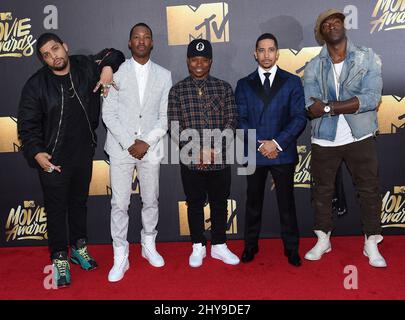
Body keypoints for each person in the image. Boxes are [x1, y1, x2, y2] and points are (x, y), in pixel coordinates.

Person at [17, 33, 125, 287]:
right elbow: (27, 126)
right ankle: (59, 258)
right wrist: (36, 152)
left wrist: (107, 69)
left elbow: (114, 53)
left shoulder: (85, 66)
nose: (54, 56)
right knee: (56, 210)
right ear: (43, 60)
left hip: (82, 154)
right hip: (53, 160)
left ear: (65, 47)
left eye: (55, 49)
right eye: (46, 54)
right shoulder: (36, 85)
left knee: (79, 204)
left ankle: (78, 248)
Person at [303, 9, 387, 267]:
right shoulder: (314, 65)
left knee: (369, 190)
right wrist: (346, 104)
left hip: (359, 135)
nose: (332, 26)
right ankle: (323, 238)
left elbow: (371, 98)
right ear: (321, 33)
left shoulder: (367, 57)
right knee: (322, 192)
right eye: (326, 24)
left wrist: (328, 107)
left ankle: (371, 242)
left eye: (336, 22)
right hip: (324, 139)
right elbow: (310, 104)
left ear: (343, 26)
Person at [102, 23, 172, 282]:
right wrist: (130, 142)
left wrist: (146, 142)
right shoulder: (115, 73)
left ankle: (148, 245)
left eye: (146, 37)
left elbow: (164, 118)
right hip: (121, 149)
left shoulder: (164, 75)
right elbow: (107, 113)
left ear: (152, 43)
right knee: (119, 204)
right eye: (136, 37)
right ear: (129, 43)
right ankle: (120, 254)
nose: (141, 41)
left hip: (150, 149)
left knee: (150, 200)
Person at [235, 33, 307, 267]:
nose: (266, 55)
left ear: (277, 53)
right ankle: (250, 246)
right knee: (252, 202)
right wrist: (261, 144)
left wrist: (275, 143)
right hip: (255, 151)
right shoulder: (244, 84)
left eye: (271, 50)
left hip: (282, 151)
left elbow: (298, 118)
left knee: (287, 203)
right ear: (255, 53)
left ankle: (292, 248)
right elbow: (240, 120)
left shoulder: (292, 81)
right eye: (261, 50)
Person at [168, 39, 239, 267]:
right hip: (191, 161)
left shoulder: (224, 87)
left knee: (220, 203)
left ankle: (219, 245)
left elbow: (231, 121)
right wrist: (196, 151)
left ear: (210, 61)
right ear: (188, 61)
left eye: (204, 59)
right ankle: (197, 245)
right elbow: (174, 126)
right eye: (194, 59)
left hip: (220, 159)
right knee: (195, 203)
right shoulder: (178, 90)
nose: (199, 64)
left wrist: (214, 150)